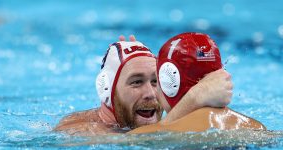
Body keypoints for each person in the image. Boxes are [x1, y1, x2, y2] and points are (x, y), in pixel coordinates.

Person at [54, 35, 233, 136]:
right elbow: (141, 143)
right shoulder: (80, 130)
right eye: (136, 82)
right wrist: (196, 96)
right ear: (106, 90)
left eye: (155, 81)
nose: (150, 93)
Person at [129, 32, 266, 134]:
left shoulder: (153, 135)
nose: (154, 92)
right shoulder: (255, 127)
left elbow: (115, 143)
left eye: (155, 81)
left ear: (169, 82)